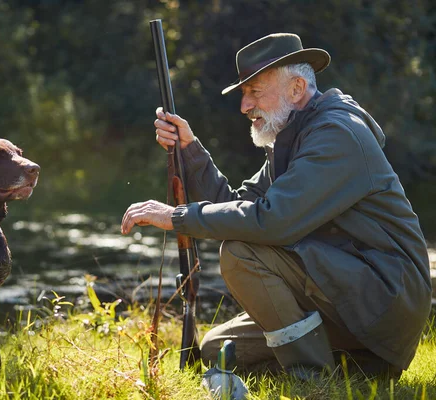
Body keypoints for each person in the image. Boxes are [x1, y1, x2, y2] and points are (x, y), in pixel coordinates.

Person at [121, 33, 432, 379]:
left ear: (296, 89)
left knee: (239, 252)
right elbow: (238, 207)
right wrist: (190, 150)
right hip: (344, 292)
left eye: (255, 91)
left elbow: (270, 221)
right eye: (243, 93)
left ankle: (312, 378)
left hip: (382, 304)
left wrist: (177, 217)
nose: (244, 106)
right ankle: (357, 369)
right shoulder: (294, 134)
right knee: (216, 349)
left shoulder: (336, 135)